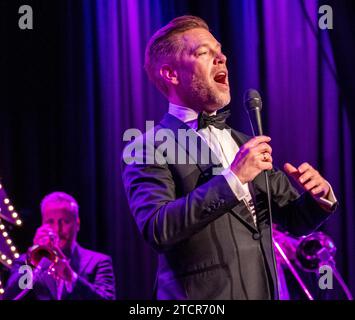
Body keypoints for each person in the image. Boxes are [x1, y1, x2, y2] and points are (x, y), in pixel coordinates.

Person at [122, 15, 338, 299]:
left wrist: (319, 198)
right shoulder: (148, 146)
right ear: (171, 74)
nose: (221, 57)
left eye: (219, 50)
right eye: (203, 52)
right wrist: (232, 179)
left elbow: (293, 220)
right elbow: (157, 228)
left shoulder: (243, 142)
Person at [3, 192, 116, 300]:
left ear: (77, 224)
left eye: (65, 221)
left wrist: (71, 277)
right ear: (42, 224)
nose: (57, 229)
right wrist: (32, 261)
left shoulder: (99, 262)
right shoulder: (25, 261)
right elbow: (10, 297)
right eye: (50, 222)